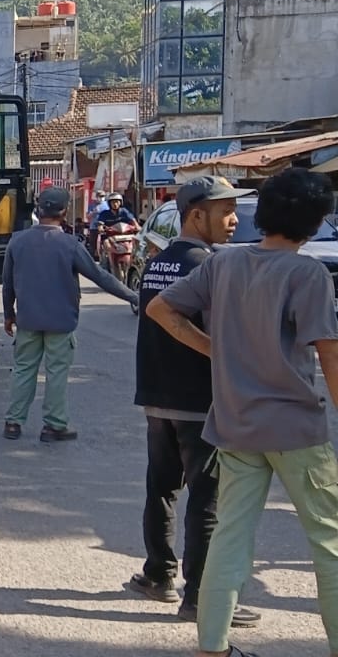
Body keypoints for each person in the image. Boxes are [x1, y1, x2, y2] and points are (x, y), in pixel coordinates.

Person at [148, 168, 338, 657]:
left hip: (234, 424)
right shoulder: (308, 273)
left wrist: (218, 351)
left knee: (230, 537)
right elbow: (329, 353)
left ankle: (212, 645)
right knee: (329, 542)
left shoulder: (223, 265)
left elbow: (161, 310)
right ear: (314, 223)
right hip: (296, 428)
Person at [127, 177, 262, 628]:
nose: (234, 220)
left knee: (161, 488)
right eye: (225, 211)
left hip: (157, 398)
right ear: (195, 214)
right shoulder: (213, 268)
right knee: (207, 499)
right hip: (201, 402)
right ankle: (202, 597)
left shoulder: (156, 263)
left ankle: (158, 575)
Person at [0, 187, 137, 441]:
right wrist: (133, 296)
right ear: (64, 212)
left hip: (28, 320)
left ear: (38, 209)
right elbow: (100, 277)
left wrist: (9, 314)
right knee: (56, 373)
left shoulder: (17, 241)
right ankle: (54, 425)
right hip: (61, 322)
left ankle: (13, 423)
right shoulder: (69, 244)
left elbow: (7, 283)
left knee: (23, 370)